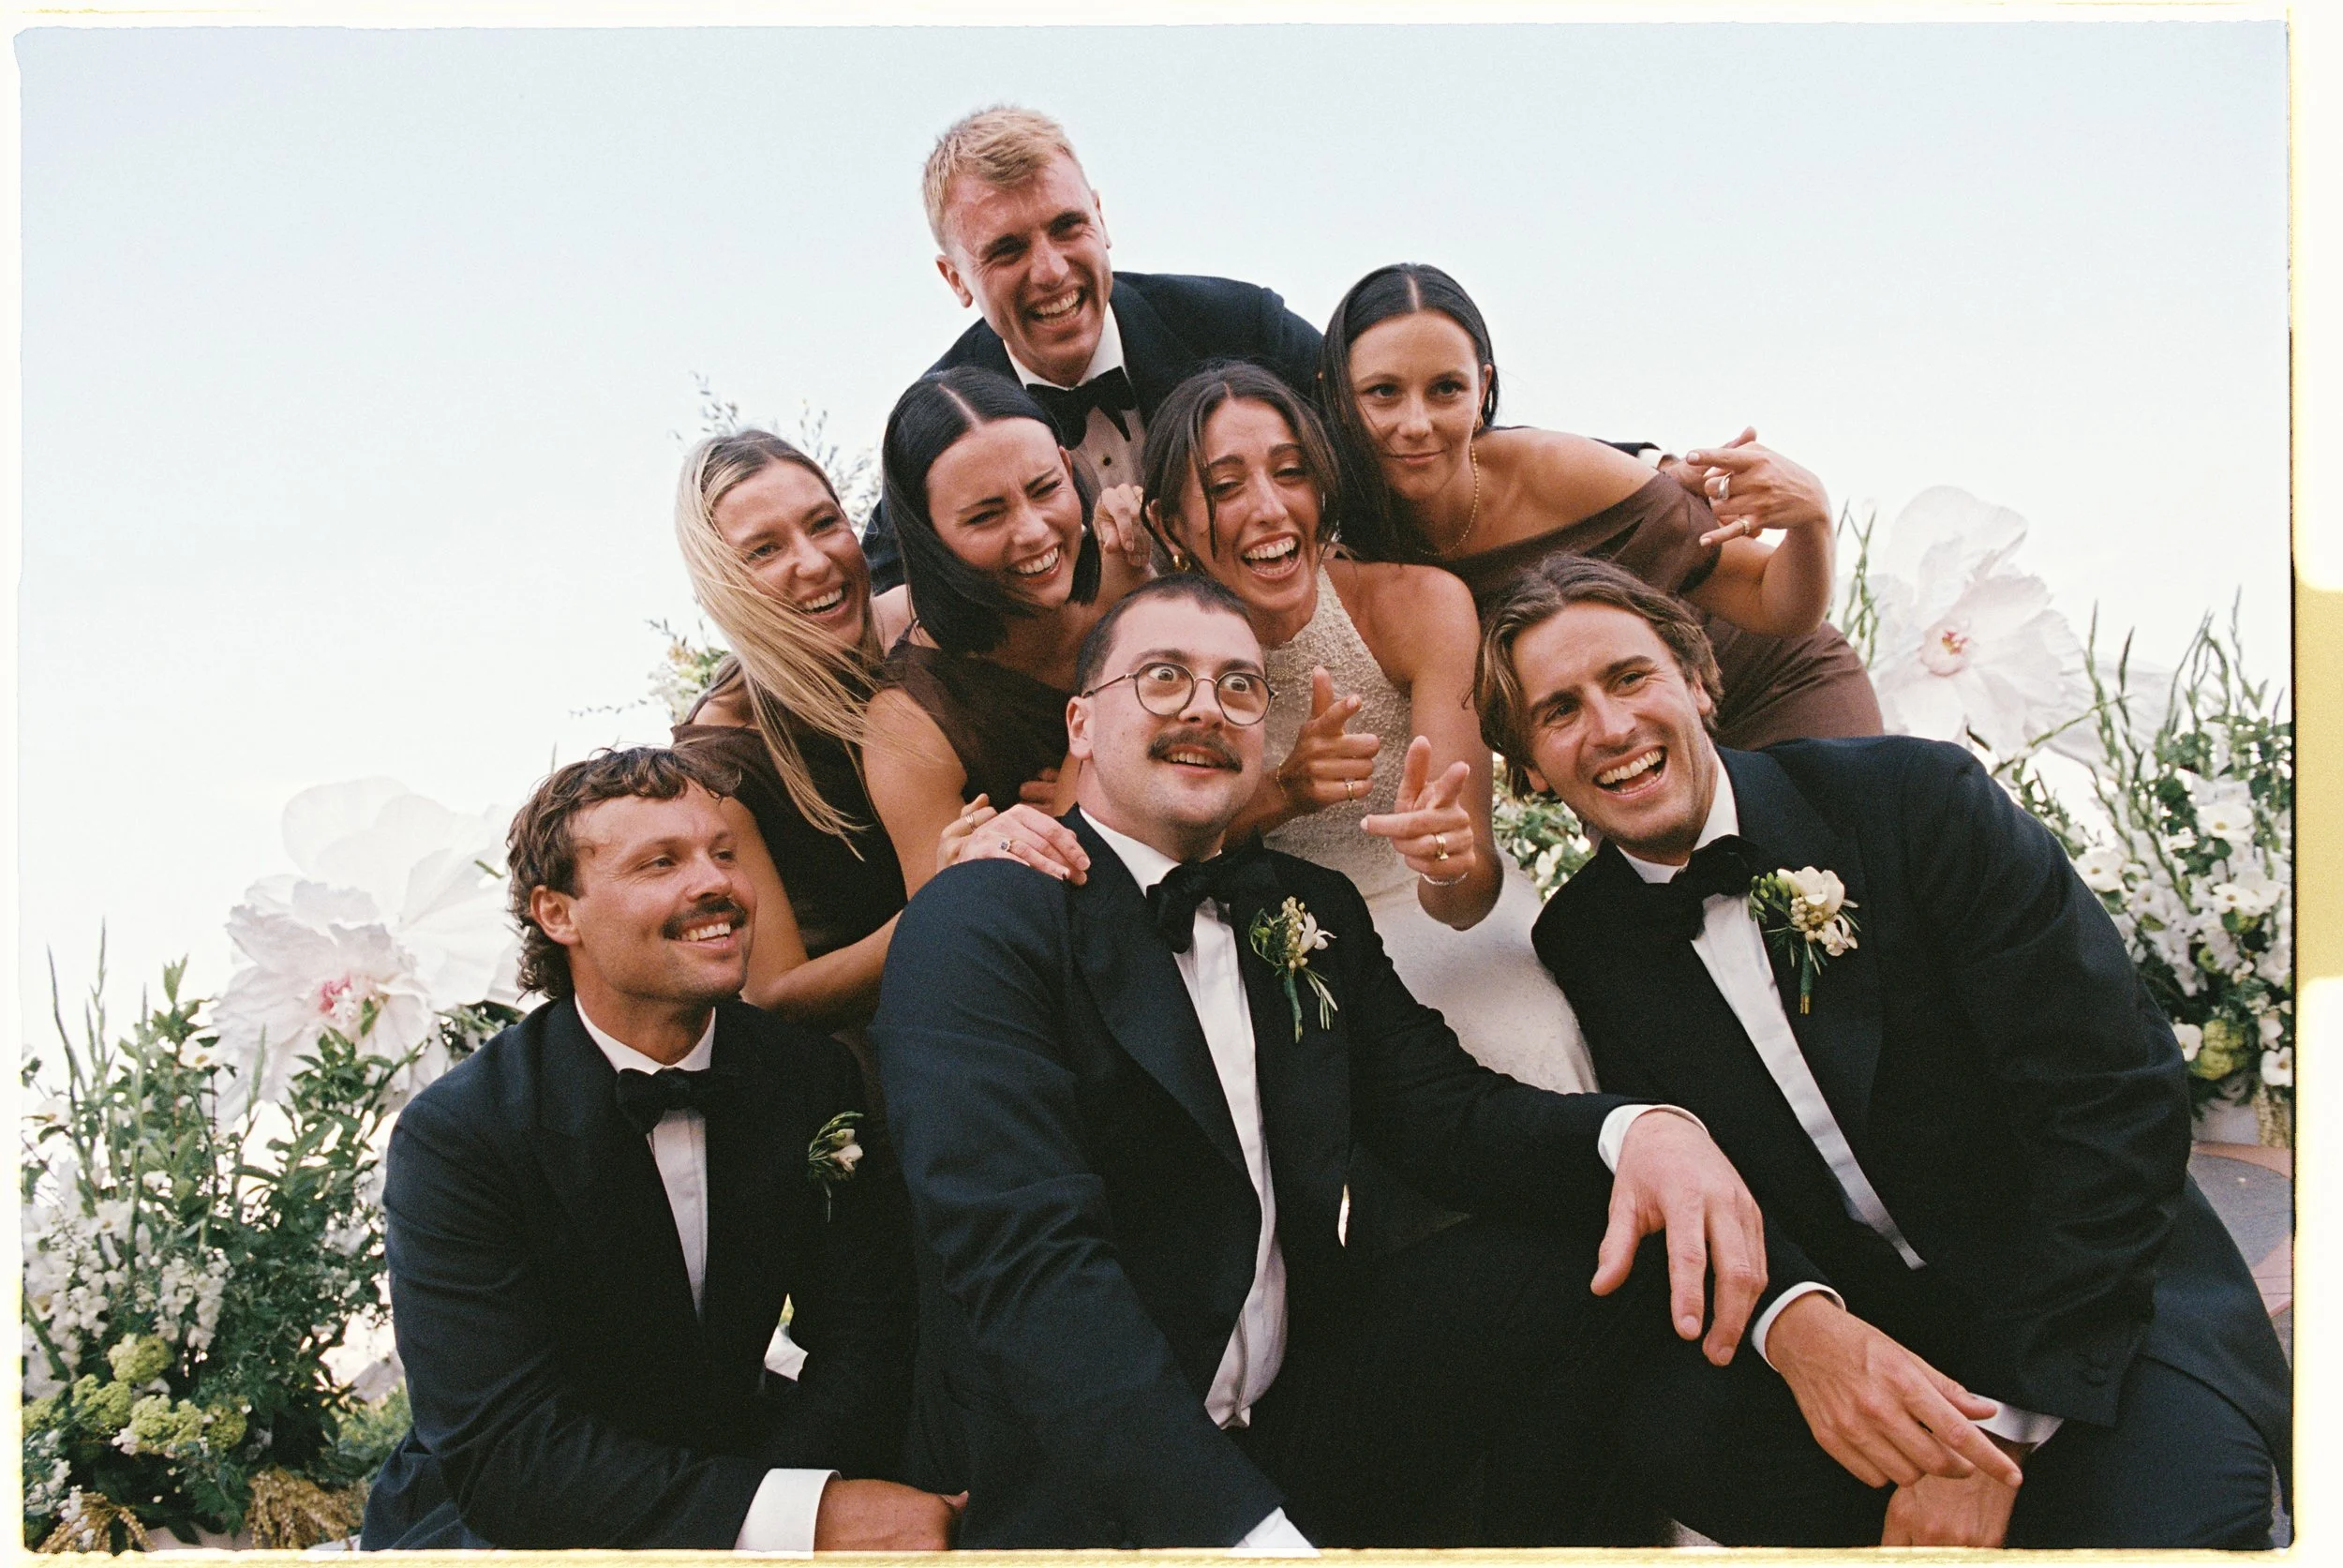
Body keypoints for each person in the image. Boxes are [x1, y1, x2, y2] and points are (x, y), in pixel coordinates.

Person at [871, 573, 1788, 1549]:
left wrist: (1637, 1129)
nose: (1203, 708)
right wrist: (1249, 1536)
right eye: (1162, 677)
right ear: (1082, 726)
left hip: (1296, 1419)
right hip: (1078, 1482)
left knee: (1591, 1266)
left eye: (1238, 686)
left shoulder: (1303, 910)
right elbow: (1032, 1275)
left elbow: (1443, 1114)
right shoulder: (976, 920)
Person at [1477, 555, 2292, 1548]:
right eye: (1558, 710)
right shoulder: (1583, 939)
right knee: (1669, 1422)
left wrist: (1998, 1433)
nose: (1608, 727)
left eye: (1628, 676)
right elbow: (1703, 1187)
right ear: (1527, 766)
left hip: (2099, 1314)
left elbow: (2113, 1101)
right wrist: (1797, 1321)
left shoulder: (1916, 799)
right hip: (1871, 1347)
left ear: (1697, 678)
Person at [360, 748, 953, 1551]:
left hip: (746, 1461)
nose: (716, 883)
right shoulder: (459, 1136)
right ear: (557, 913)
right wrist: (789, 1519)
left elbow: (870, 1335)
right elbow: (508, 1454)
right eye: (660, 863)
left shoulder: (807, 1077)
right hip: (506, 1519)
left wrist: (792, 1501)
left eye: (722, 852)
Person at [1137, 363, 1589, 1097]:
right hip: (1272, 939)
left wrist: (1444, 859)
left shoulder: (1421, 607)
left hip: (1438, 919)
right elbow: (1141, 854)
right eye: (1225, 487)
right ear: (1168, 524)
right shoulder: (1150, 648)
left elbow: (1468, 891)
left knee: (1528, 1042)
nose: (1269, 509)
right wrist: (1284, 792)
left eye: (1292, 473)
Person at [1323, 261, 1883, 751]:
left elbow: (1775, 604)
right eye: (1383, 393)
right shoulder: (1334, 529)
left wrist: (1812, 520)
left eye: (1446, 388)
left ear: (1482, 390)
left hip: (1772, 690)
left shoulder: (1561, 472)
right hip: (1613, 734)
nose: (1417, 424)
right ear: (1340, 399)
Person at [668, 430, 1069, 1059]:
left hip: (1060, 954)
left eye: (824, 524)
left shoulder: (933, 620)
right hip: (910, 1045)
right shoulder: (718, 764)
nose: (814, 562)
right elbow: (776, 992)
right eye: (765, 550)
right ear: (722, 585)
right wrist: (946, 895)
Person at [856, 104, 1322, 592]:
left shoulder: (1240, 325)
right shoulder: (936, 426)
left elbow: (1370, 448)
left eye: (1066, 227)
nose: (1051, 271)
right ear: (956, 279)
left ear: (1101, 221)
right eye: (1008, 250)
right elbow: (891, 593)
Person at [862, 366, 1140, 898]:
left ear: (1067, 465)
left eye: (1045, 489)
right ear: (925, 537)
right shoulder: (909, 720)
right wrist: (994, 860)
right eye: (987, 517)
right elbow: (943, 932)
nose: (1034, 532)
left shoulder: (1127, 573)